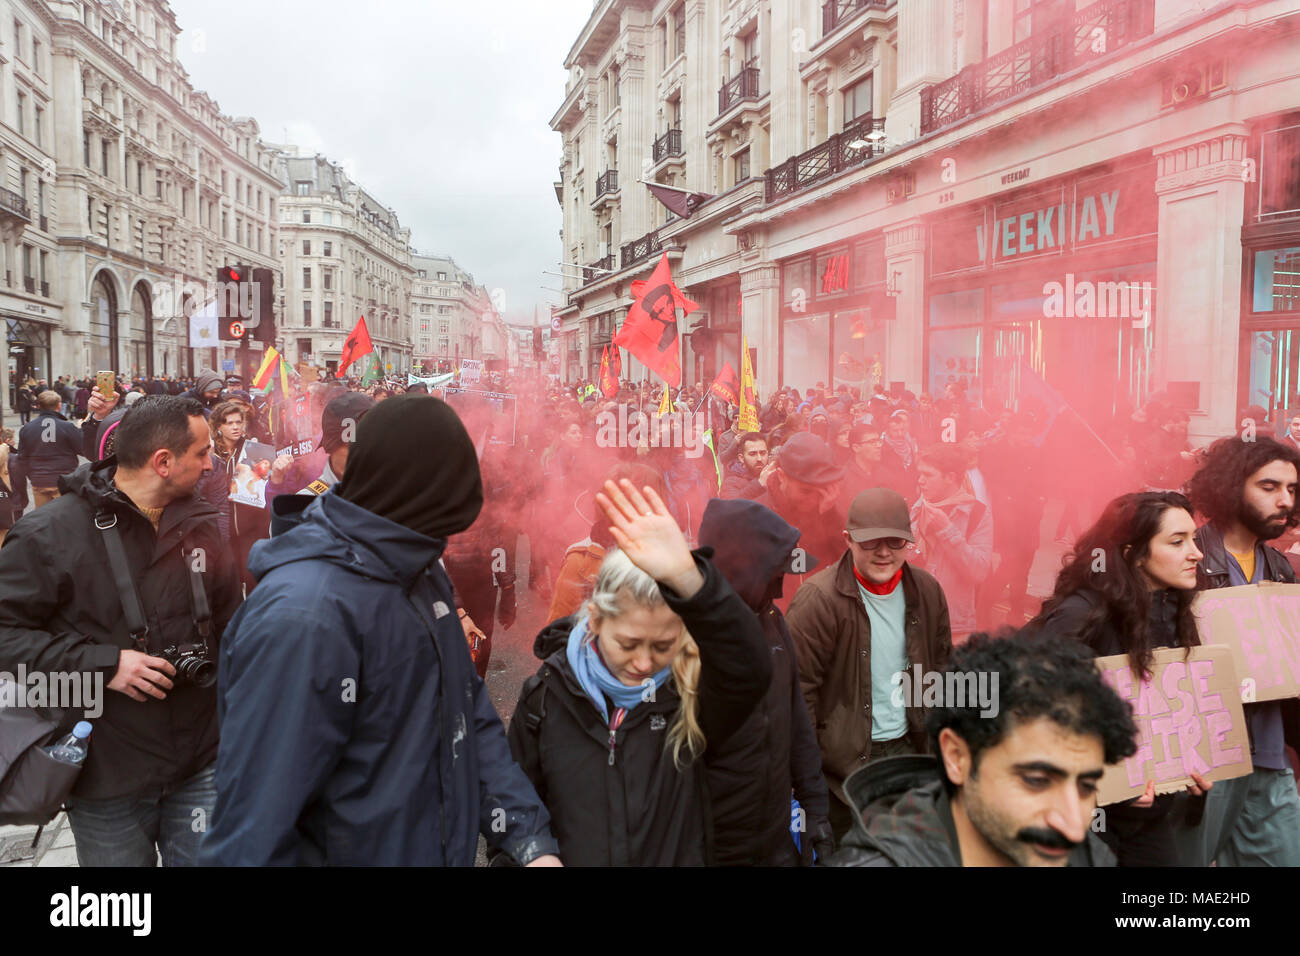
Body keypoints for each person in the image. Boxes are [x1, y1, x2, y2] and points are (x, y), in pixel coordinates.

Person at [200, 395, 560, 865]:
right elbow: (251, 839)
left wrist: (530, 841)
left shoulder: (418, 567)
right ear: (401, 496)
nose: (446, 542)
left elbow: (465, 712)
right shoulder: (302, 617)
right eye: (438, 521)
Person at [0, 395, 242, 866]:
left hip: (202, 760)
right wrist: (105, 664)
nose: (212, 465)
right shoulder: (49, 533)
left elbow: (231, 624)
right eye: (202, 452)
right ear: (164, 462)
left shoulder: (202, 524)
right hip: (105, 773)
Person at [506, 478, 772, 865]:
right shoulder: (544, 697)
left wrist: (689, 578)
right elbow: (512, 800)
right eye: (628, 644)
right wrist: (531, 854)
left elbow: (751, 668)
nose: (645, 664)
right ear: (595, 620)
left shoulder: (690, 695)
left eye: (662, 646)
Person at [829, 631, 1137, 866]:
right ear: (957, 757)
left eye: (1086, 787)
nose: (1072, 826)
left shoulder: (1089, 857)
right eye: (1036, 781)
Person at [1029, 491, 1213, 865]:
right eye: (1178, 542)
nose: (1196, 553)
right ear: (1134, 554)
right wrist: (1110, 779)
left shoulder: (1175, 608)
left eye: (1193, 539)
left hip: (1146, 813)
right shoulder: (1080, 616)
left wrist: (1188, 766)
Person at [787, 488, 953, 842]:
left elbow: (941, 669)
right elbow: (799, 695)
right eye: (870, 542)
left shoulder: (927, 591)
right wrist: (810, 780)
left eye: (895, 542)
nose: (883, 552)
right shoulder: (818, 600)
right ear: (848, 540)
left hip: (910, 754)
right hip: (842, 772)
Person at [1178, 435, 1300, 867]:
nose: (1284, 500)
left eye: (1291, 489)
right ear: (1232, 485)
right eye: (1269, 487)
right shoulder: (1186, 557)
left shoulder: (1281, 568)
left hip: (1268, 755)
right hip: (1203, 758)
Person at [698, 498, 832, 866]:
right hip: (712, 844)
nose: (781, 583)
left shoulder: (773, 621)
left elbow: (796, 723)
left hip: (774, 836)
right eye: (774, 572)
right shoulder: (691, 637)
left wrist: (816, 811)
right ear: (742, 567)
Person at [910, 442, 994, 643]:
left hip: (952, 626)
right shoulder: (917, 507)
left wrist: (946, 529)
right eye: (919, 473)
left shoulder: (977, 513)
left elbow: (979, 571)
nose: (920, 481)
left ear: (950, 477)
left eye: (928, 475)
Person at [754, 432, 845, 603]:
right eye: (805, 491)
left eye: (821, 490)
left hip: (822, 616)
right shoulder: (756, 517)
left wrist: (831, 516)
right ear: (781, 477)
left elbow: (849, 567)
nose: (813, 499)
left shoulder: (828, 509)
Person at [12, 390, 83, 509]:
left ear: (39, 406)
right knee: (65, 517)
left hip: (39, 480)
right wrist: (80, 430)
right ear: (59, 405)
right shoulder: (67, 426)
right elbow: (82, 449)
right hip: (64, 479)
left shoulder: (27, 428)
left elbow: (22, 458)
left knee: (42, 518)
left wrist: (31, 475)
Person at [720, 431, 768, 500]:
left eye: (763, 453)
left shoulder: (774, 476)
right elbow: (731, 507)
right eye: (752, 454)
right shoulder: (730, 483)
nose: (759, 459)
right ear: (741, 458)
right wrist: (758, 485)